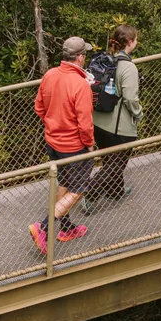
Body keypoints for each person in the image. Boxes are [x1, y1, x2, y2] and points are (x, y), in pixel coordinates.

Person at [29, 36, 96, 253]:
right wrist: (89, 145)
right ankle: (44, 226)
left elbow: (39, 108)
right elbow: (85, 123)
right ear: (80, 58)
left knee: (65, 183)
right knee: (78, 188)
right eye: (84, 54)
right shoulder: (80, 84)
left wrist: (52, 125)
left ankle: (66, 228)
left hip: (53, 142)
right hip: (74, 145)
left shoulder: (49, 75)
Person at [81, 25, 143, 215]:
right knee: (117, 163)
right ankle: (89, 193)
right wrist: (138, 114)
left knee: (110, 157)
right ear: (130, 42)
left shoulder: (103, 60)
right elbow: (131, 98)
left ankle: (115, 191)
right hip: (119, 126)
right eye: (136, 39)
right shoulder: (128, 67)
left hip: (98, 120)